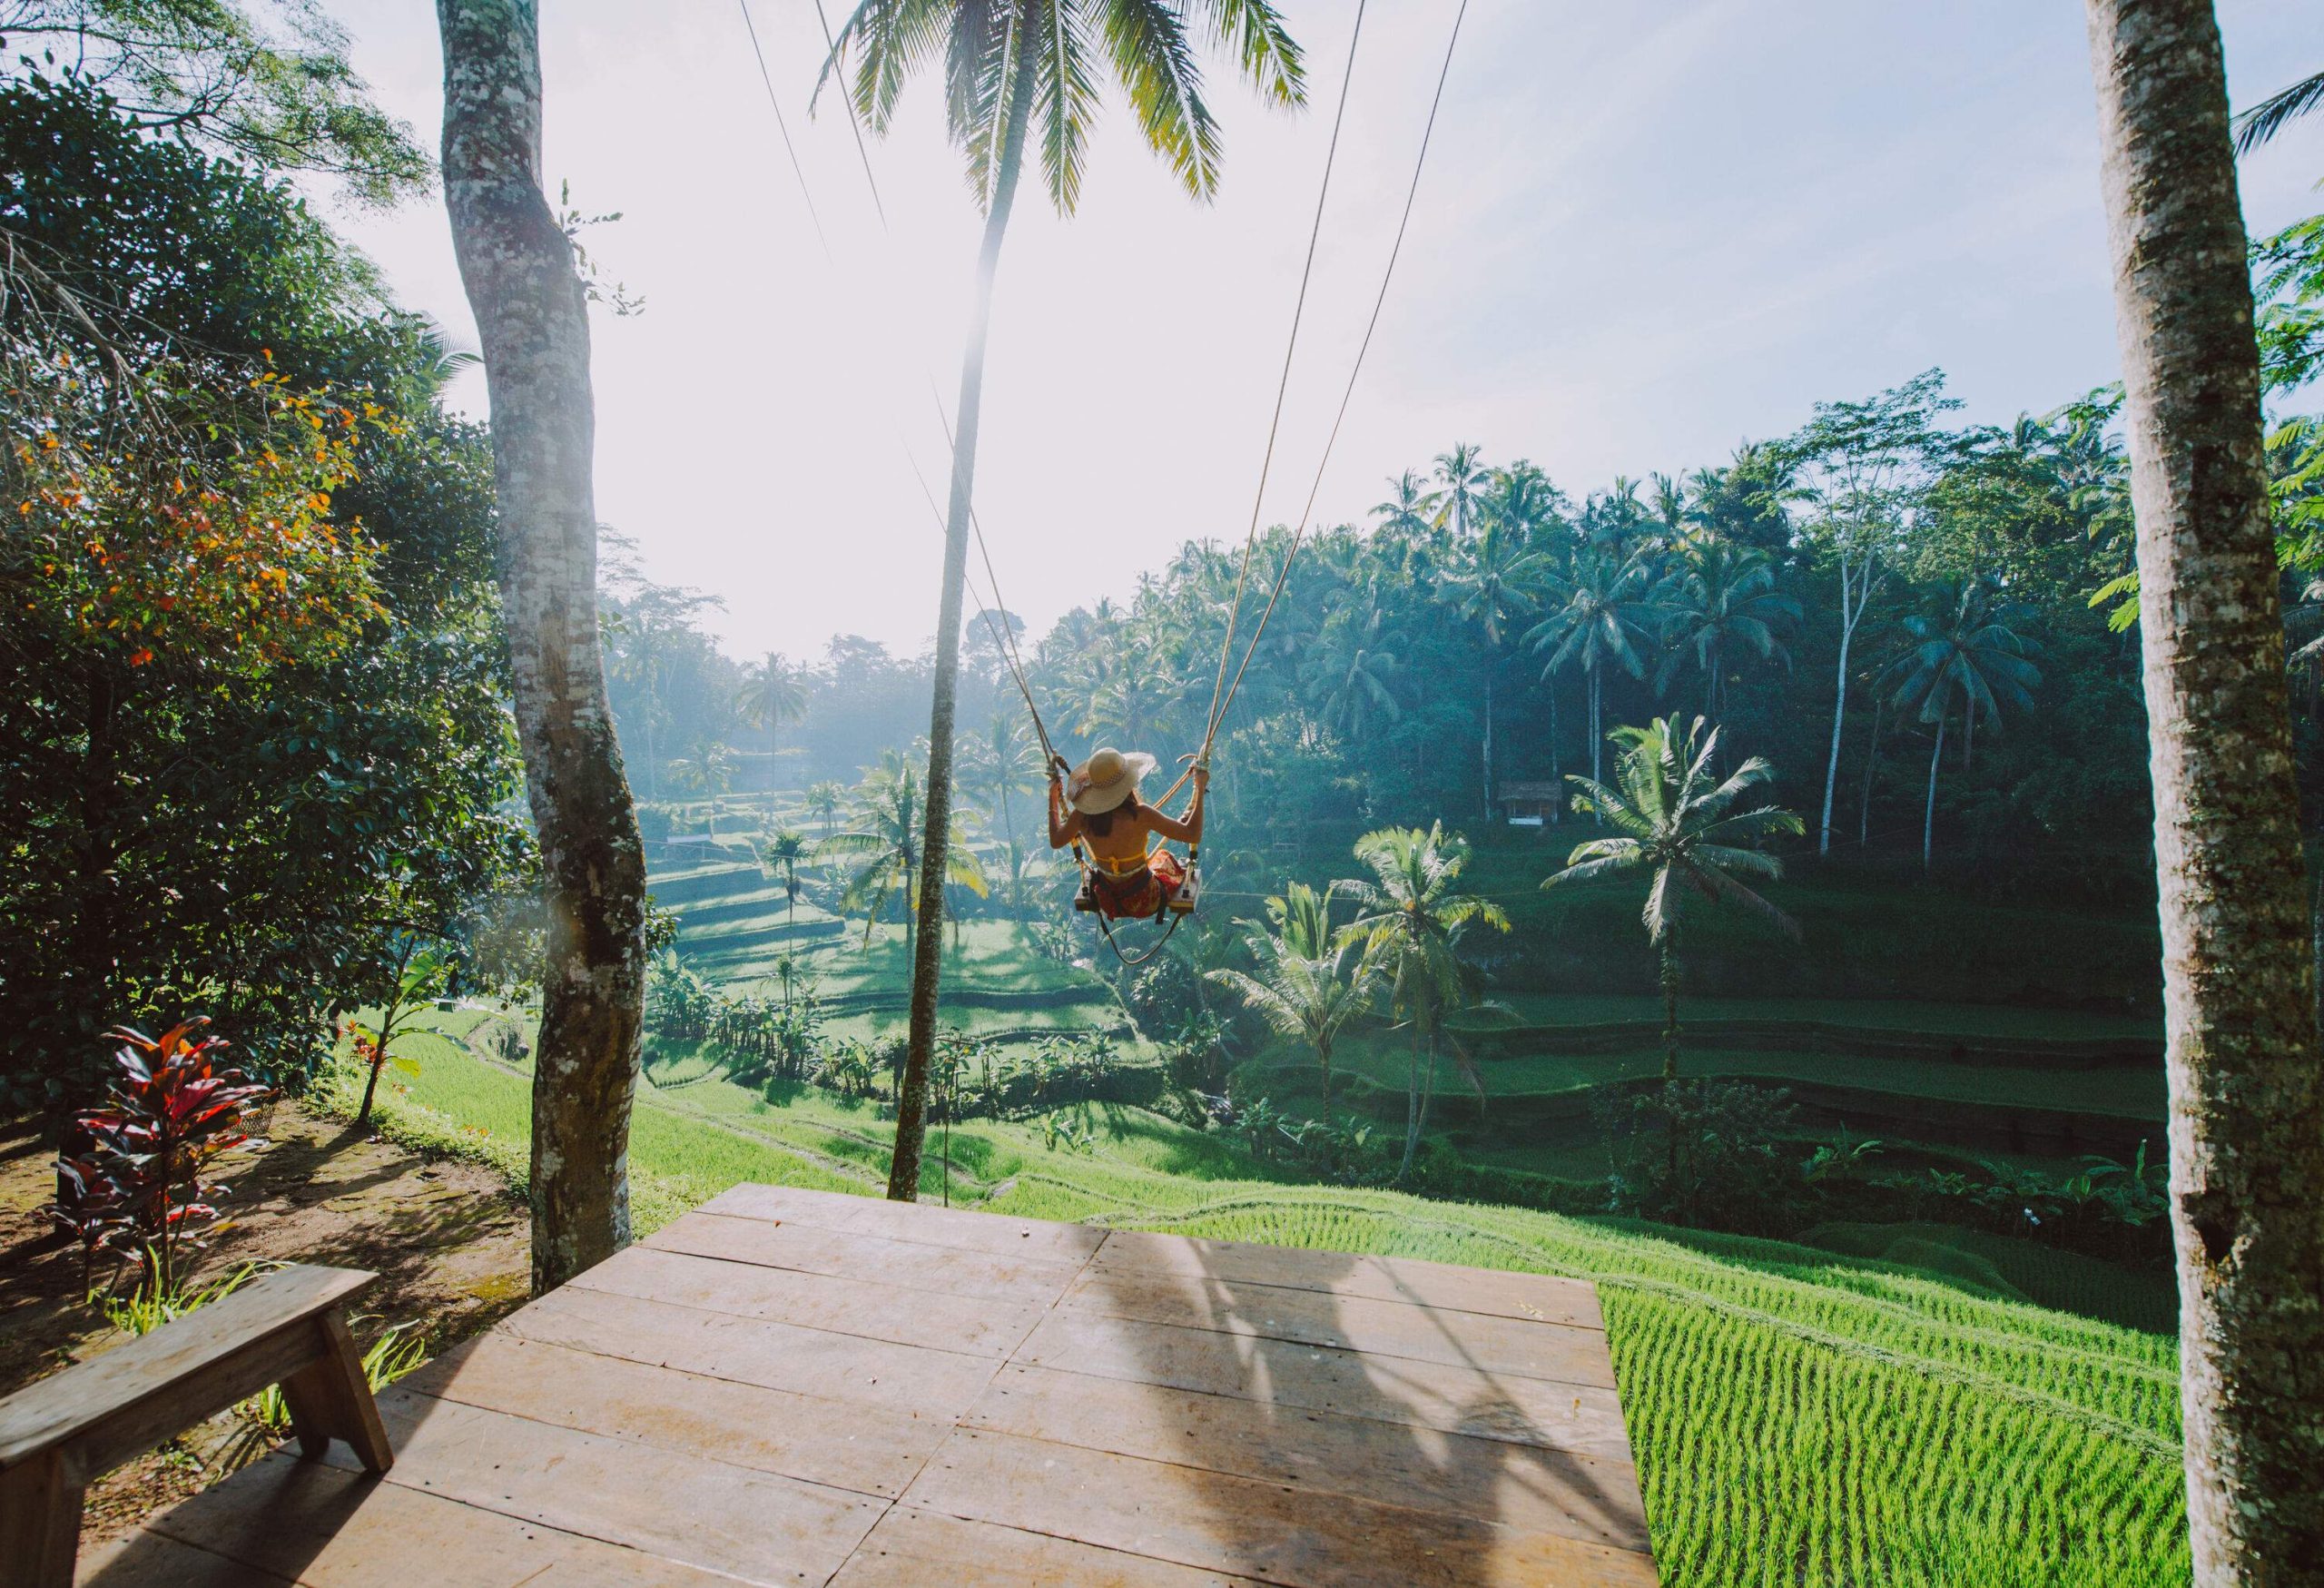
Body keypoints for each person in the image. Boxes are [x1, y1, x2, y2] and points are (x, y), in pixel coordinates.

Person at [1049, 746, 1207, 919]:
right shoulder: (1142, 815)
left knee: (1158, 860)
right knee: (1164, 858)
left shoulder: (1081, 816)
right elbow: (1192, 834)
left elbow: (1056, 840)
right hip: (1144, 901)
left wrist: (1053, 797)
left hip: (1107, 900)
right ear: (1126, 784)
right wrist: (1200, 788)